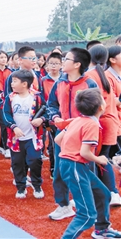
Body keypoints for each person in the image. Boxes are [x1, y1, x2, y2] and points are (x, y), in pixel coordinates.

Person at [55, 88, 121, 239]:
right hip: (75, 166)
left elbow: (57, 140)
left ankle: (102, 229)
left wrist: (71, 150)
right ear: (101, 107)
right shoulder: (92, 125)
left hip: (73, 165)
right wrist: (100, 160)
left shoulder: (77, 120)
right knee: (87, 215)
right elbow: (85, 153)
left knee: (103, 194)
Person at [47, 47, 98, 221]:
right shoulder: (60, 82)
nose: (62, 61)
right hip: (63, 132)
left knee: (85, 170)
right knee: (60, 170)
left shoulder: (90, 84)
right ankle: (63, 205)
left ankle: (88, 205)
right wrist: (55, 117)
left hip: (83, 134)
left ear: (77, 64)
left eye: (66, 59)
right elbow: (51, 104)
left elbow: (97, 109)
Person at [86, 45, 121, 206]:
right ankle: (110, 192)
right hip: (110, 121)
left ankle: (110, 192)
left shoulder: (92, 76)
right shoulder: (104, 75)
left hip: (100, 122)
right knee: (103, 157)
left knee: (99, 158)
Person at [3, 70, 45, 199]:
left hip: (33, 137)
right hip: (16, 138)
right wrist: (13, 127)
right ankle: (21, 187)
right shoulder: (10, 98)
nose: (12, 84)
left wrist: (42, 119)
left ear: (25, 84)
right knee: (17, 163)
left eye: (15, 81)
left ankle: (37, 185)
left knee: (35, 160)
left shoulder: (36, 97)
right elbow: (6, 114)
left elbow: (46, 111)